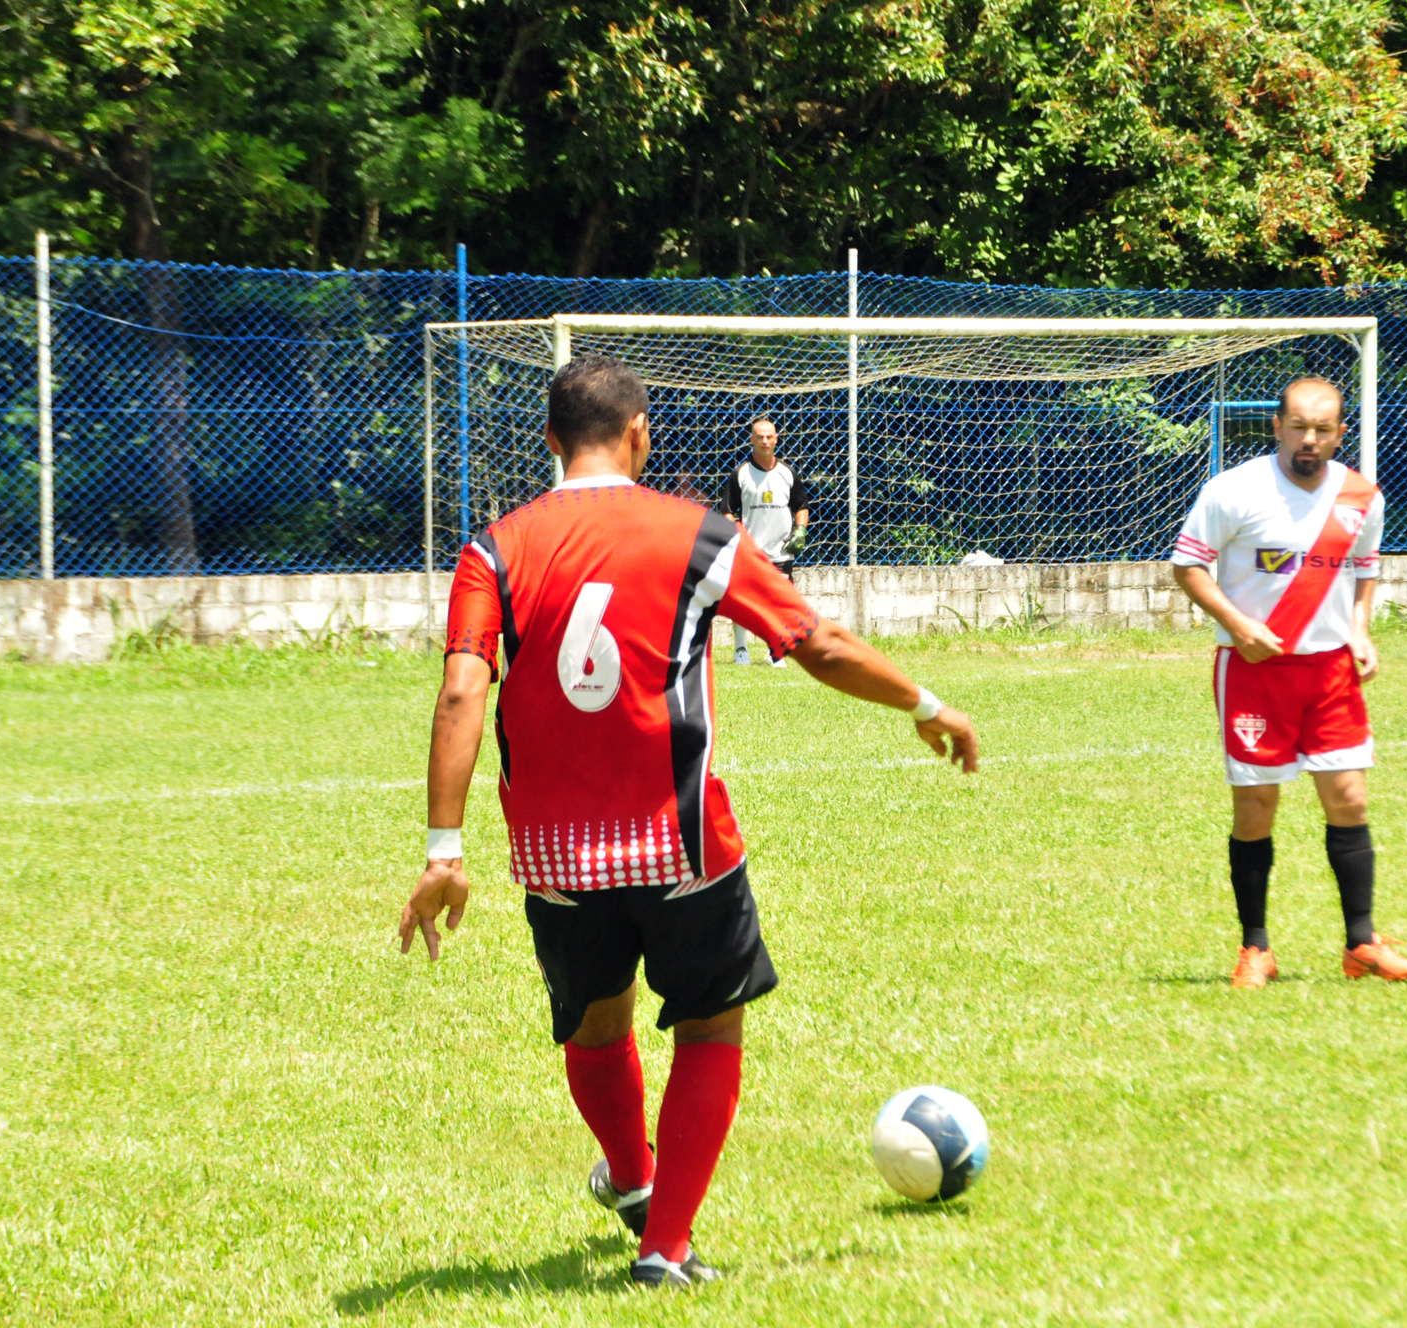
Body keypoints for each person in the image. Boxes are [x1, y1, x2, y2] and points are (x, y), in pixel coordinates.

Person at [397, 355, 979, 1290]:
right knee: (709, 1028)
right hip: (682, 844)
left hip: (554, 855)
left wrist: (443, 850)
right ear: (640, 434)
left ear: (550, 441)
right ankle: (663, 1246)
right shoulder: (698, 534)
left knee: (594, 1028)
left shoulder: (492, 552)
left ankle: (632, 1179)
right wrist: (924, 703)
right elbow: (815, 644)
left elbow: (464, 686)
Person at [1169, 376, 1407, 989]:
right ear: (1277, 426)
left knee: (1350, 800)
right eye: (1299, 427)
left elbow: (1364, 567)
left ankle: (1361, 942)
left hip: (1331, 670)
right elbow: (1188, 566)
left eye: (1323, 429)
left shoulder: (1361, 495)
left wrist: (1360, 628)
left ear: (1340, 433)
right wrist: (1237, 623)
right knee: (1257, 807)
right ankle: (1256, 948)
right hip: (1256, 670)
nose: (1310, 440)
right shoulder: (1234, 491)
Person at [720, 418, 809, 666]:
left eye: (769, 436)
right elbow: (727, 509)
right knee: (743, 601)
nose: (765, 441)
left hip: (781, 552)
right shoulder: (740, 474)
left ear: (776, 439)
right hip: (748, 553)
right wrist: (736, 532)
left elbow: (801, 506)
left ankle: (775, 650)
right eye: (760, 436)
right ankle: (740, 649)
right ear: (752, 439)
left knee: (779, 602)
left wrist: (800, 531)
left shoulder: (788, 473)